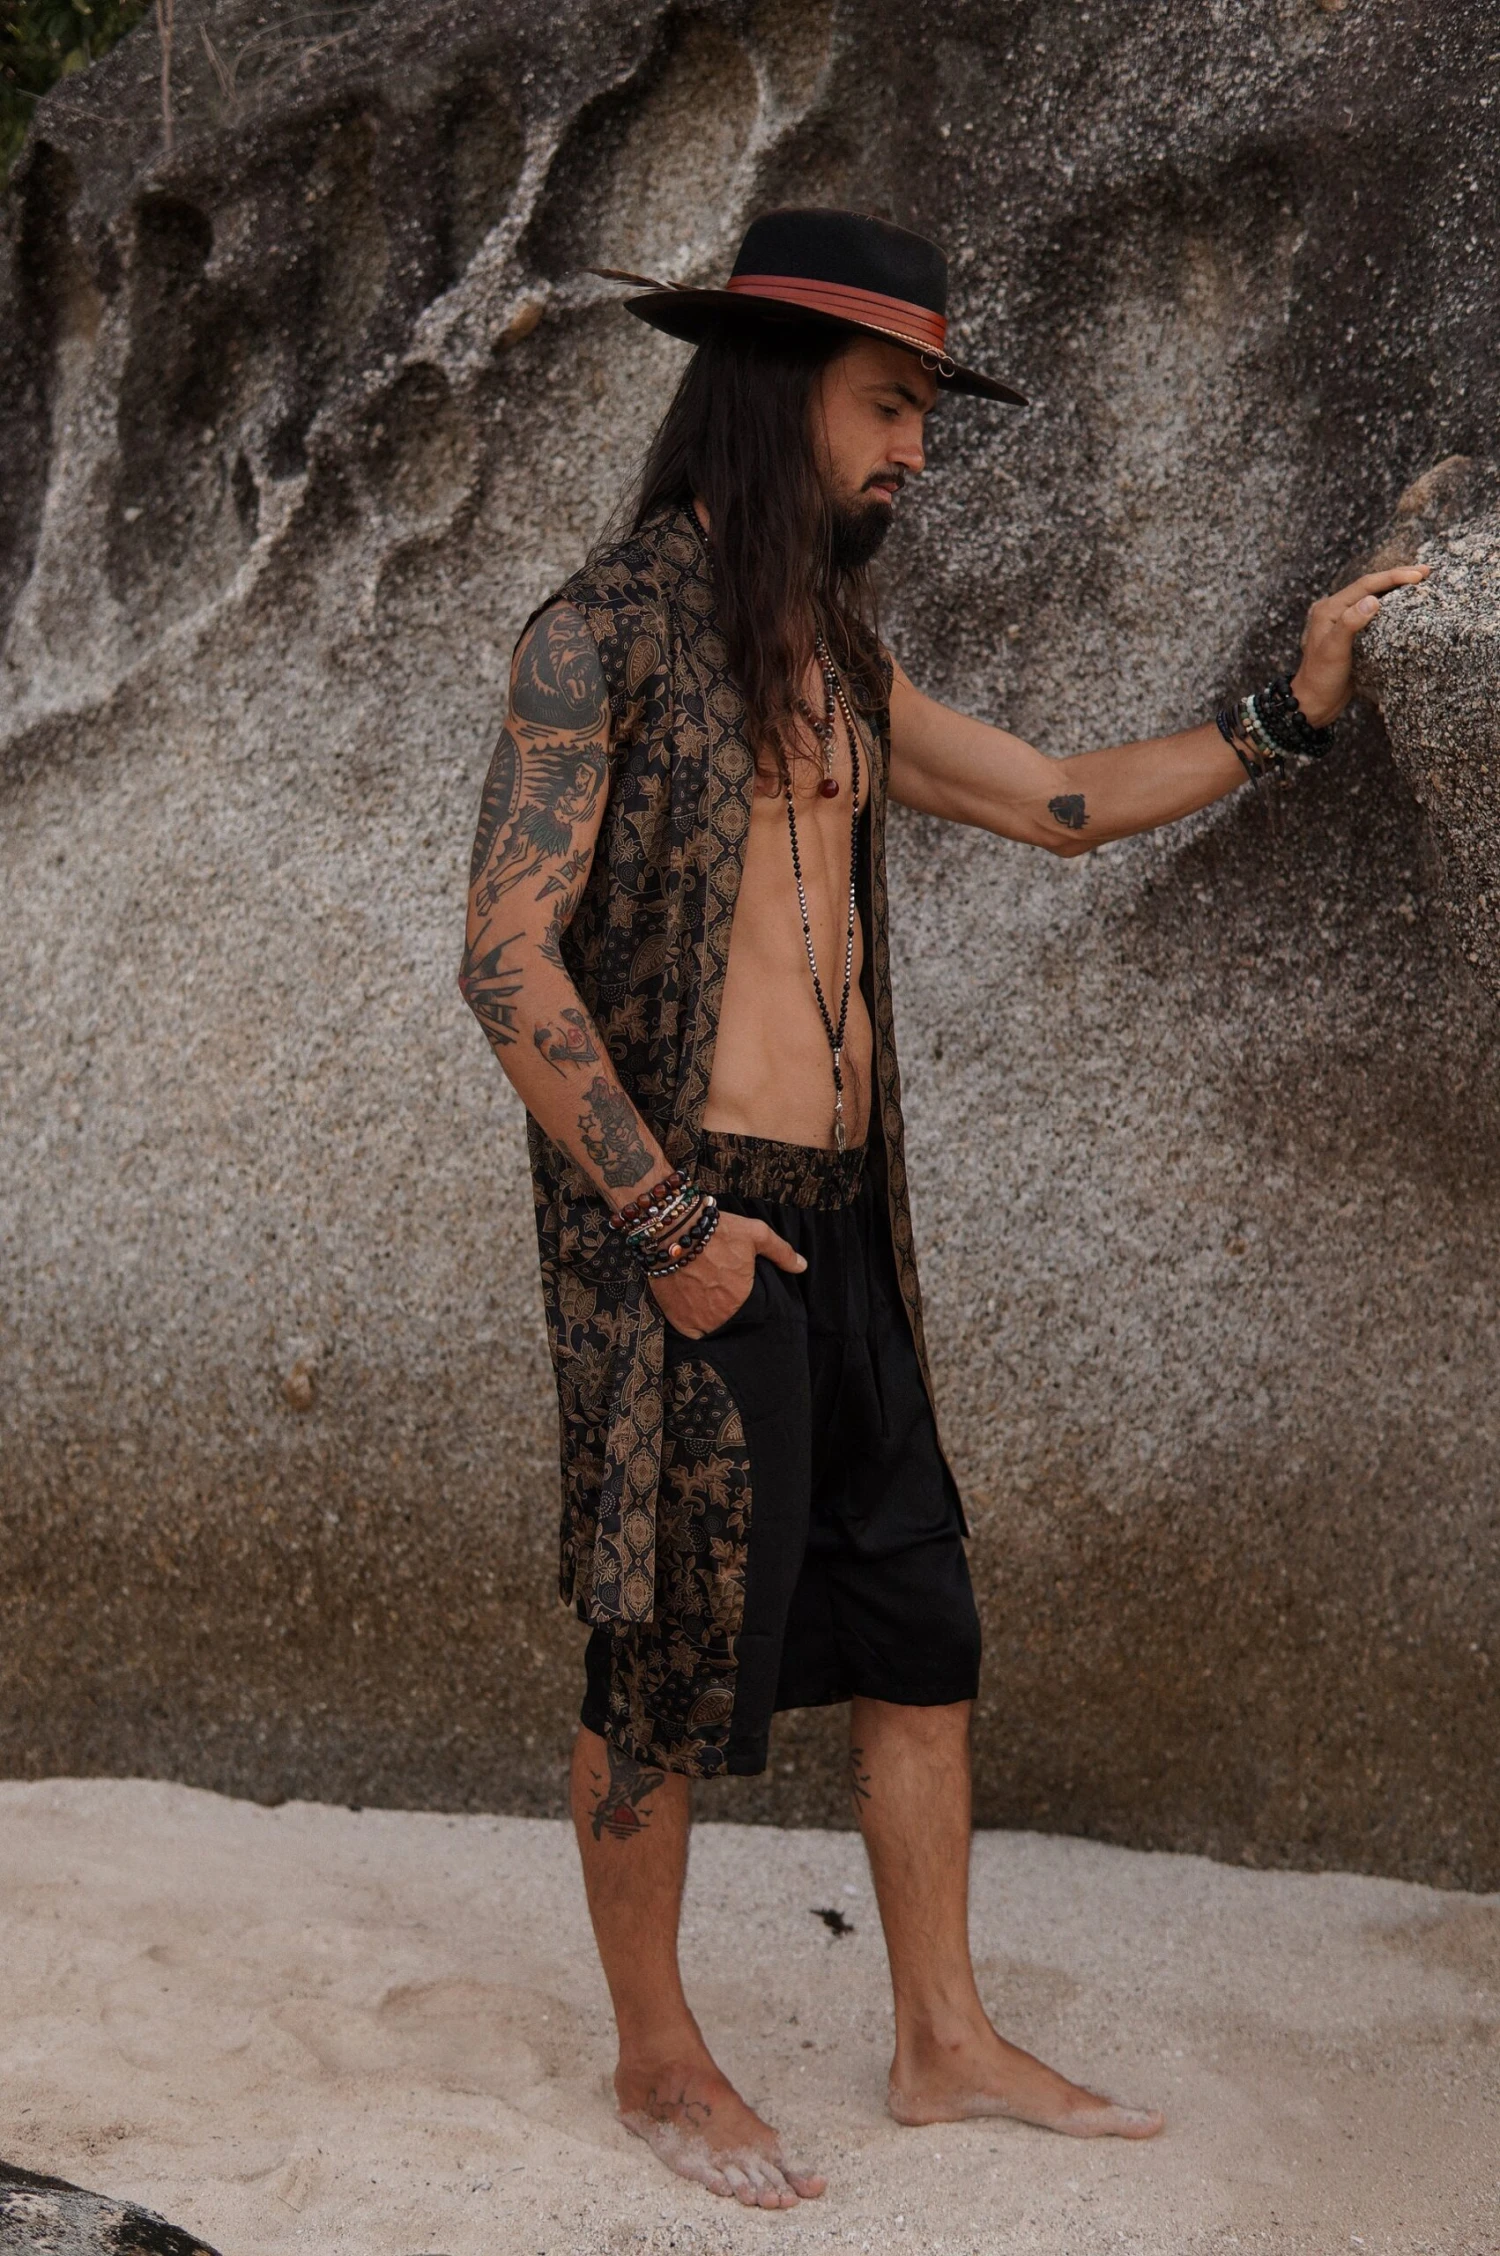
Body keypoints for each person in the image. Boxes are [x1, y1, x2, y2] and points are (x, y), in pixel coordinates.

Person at [458, 207, 1425, 2211]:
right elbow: (506, 959)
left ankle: (941, 2037)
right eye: (888, 404)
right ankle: (657, 2058)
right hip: (692, 1229)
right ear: (771, 392)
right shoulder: (601, 632)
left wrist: (1294, 708)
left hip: (847, 1220)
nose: (915, 447)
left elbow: (1055, 803)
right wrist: (666, 1226)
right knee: (658, 1656)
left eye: (924, 412)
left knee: (922, 1631)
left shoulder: (829, 650)